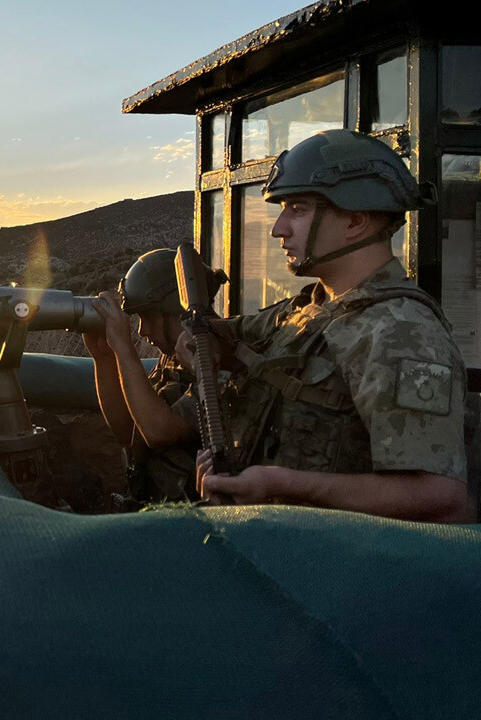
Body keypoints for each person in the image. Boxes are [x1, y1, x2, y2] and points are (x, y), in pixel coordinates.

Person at [184, 129, 473, 522]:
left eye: (298, 210)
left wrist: (282, 486)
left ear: (355, 221)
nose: (278, 228)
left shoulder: (400, 331)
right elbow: (221, 339)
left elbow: (441, 498)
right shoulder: (310, 308)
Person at [82, 249, 223, 503]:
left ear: (175, 309)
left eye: (147, 317)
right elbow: (128, 431)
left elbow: (159, 431)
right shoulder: (174, 357)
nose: (142, 330)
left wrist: (124, 348)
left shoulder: (219, 357)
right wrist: (104, 358)